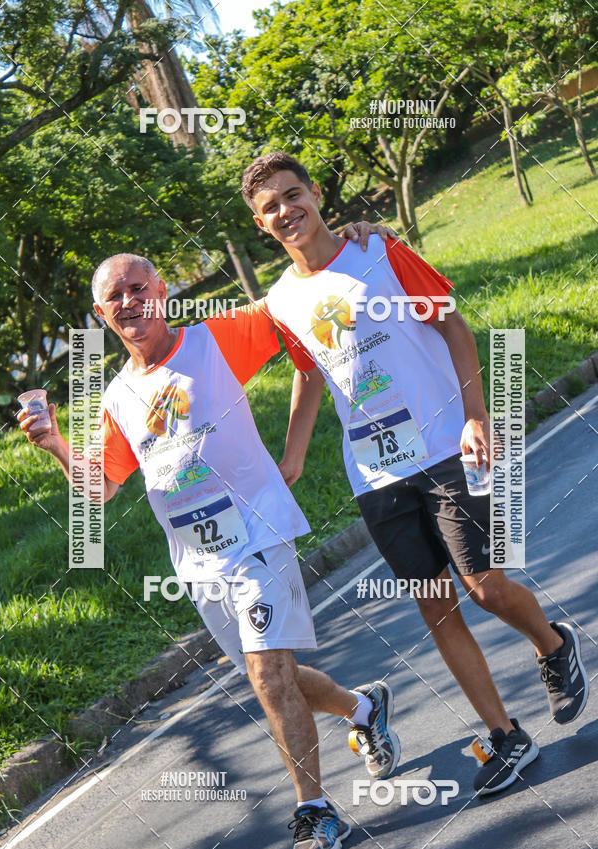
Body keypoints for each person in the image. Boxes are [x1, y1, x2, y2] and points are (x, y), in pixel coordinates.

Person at [17, 252, 403, 849]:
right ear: (100, 313)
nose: (129, 301)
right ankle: (364, 708)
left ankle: (315, 811)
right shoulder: (117, 396)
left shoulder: (215, 338)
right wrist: (58, 444)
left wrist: (339, 243)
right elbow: (102, 487)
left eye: (139, 287)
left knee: (268, 674)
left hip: (258, 531)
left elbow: (295, 306)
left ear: (162, 290)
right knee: (271, 675)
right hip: (199, 560)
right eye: (116, 295)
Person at [240, 150, 589, 796]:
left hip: (445, 445)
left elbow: (453, 324)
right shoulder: (281, 299)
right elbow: (308, 372)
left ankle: (552, 643)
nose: (286, 211)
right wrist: (292, 456)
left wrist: (476, 415)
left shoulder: (378, 251)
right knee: (436, 606)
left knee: (484, 587)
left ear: (315, 193)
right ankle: (506, 735)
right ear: (260, 225)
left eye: (293, 195)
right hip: (375, 474)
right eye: (271, 208)